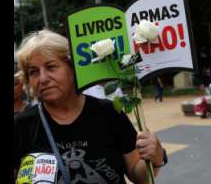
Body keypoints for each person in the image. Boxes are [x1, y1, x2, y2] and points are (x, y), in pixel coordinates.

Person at [14, 30, 167, 184]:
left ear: (72, 68)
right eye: (33, 72)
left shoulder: (109, 113)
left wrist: (155, 158)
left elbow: (138, 175)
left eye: (51, 67)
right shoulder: (21, 125)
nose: (43, 78)